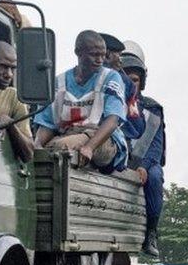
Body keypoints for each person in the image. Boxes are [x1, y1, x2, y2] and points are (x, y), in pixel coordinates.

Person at [33, 30, 129, 172]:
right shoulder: (59, 83)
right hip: (68, 134)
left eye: (103, 55)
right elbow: (47, 124)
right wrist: (36, 146)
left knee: (60, 149)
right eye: (94, 55)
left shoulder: (111, 77)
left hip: (102, 138)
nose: (100, 60)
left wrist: (89, 147)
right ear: (78, 52)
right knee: (41, 153)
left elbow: (113, 120)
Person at [118, 41, 166, 258]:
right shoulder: (109, 102)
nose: (131, 84)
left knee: (155, 176)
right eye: (125, 79)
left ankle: (151, 233)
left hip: (143, 165)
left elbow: (156, 146)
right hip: (116, 159)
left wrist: (144, 167)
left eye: (135, 80)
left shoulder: (153, 109)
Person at [0, 41, 33, 163]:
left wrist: (10, 124)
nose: (9, 74)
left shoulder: (14, 98)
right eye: (2, 66)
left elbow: (28, 154)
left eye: (12, 68)